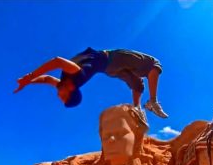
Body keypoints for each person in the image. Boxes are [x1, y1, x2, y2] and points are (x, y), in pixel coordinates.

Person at [14, 47, 168, 118]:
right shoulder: (76, 75)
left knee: (138, 85)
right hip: (111, 59)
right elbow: (58, 61)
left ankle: (137, 110)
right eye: (62, 97)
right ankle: (152, 101)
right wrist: (29, 76)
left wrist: (28, 81)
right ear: (70, 91)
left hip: (110, 71)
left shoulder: (63, 84)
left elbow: (47, 79)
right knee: (154, 64)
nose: (58, 96)